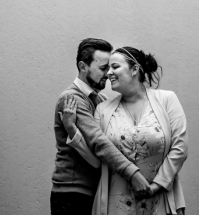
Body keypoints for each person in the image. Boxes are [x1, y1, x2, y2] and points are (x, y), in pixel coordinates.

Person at [60, 47, 187, 215]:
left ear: (134, 69)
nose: (109, 73)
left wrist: (156, 186)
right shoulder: (102, 109)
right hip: (116, 207)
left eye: (115, 67)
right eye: (107, 68)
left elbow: (180, 148)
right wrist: (72, 132)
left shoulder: (167, 100)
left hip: (160, 201)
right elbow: (98, 160)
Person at [51, 39, 152, 215]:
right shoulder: (71, 99)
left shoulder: (101, 101)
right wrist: (132, 174)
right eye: (103, 68)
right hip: (72, 194)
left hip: (92, 192)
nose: (109, 73)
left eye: (112, 68)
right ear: (83, 67)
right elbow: (99, 142)